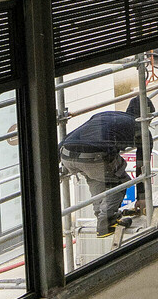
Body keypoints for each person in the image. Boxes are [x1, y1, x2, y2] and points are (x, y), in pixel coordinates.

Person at [60, 98, 142, 234]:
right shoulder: (139, 126)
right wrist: (142, 197)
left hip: (66, 153)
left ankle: (101, 216)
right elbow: (142, 166)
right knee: (119, 182)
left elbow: (73, 134)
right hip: (93, 154)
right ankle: (106, 222)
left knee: (96, 178)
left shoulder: (106, 115)